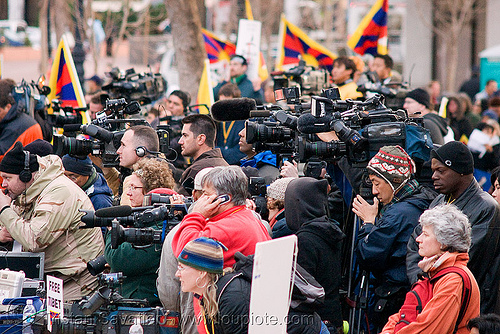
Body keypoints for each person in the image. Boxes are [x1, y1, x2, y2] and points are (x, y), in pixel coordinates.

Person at [0, 142, 104, 301]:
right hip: (55, 277)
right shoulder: (28, 190)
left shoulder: (59, 191)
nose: (4, 184)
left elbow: (34, 240)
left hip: (79, 281)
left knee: (43, 322)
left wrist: (4, 210)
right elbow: (11, 224)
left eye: (8, 178)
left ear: (26, 176)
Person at [406, 141, 500, 314]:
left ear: (461, 172)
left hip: (463, 304)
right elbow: (415, 242)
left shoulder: (487, 207)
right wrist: (419, 281)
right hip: (431, 295)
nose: (434, 176)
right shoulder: (439, 200)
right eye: (434, 170)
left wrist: (428, 278)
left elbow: (466, 259)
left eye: (441, 171)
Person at [352, 145, 435, 330]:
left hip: (394, 299)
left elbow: (368, 255)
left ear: (393, 181)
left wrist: (368, 223)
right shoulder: (425, 199)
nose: (374, 191)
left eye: (376, 183)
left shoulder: (397, 214)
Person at [381, 204, 480, 334]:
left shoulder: (453, 280)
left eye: (425, 234)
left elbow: (429, 329)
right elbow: (401, 315)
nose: (418, 239)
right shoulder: (438, 273)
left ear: (444, 242)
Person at [105, 158, 176, 306]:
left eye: (133, 188)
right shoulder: (144, 221)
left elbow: (117, 258)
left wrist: (116, 223)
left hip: (142, 306)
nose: (128, 193)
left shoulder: (158, 228)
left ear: (150, 193)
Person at [173, 166, 271, 267]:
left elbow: (184, 253)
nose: (201, 199)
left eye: (206, 194)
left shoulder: (227, 227)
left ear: (224, 199)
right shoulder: (248, 217)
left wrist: (196, 214)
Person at [285, 177, 345, 331]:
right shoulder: (330, 230)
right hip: (332, 315)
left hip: (314, 321)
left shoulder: (304, 240)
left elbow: (301, 290)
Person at [178, 114, 228, 195]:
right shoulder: (224, 165)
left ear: (201, 139)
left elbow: (179, 204)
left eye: (185, 135)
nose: (180, 141)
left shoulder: (196, 170)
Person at [116, 125, 163, 205]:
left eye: (123, 145)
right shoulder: (161, 175)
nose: (118, 151)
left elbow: (125, 215)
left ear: (140, 151)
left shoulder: (134, 180)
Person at [0, 79, 43, 164]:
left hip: (20, 174)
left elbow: (2, 156)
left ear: (8, 107)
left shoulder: (15, 128)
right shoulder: (17, 120)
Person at [215, 83, 246, 165]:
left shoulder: (244, 122)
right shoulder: (218, 121)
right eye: (221, 103)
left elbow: (240, 153)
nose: (223, 107)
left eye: (227, 104)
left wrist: (217, 151)